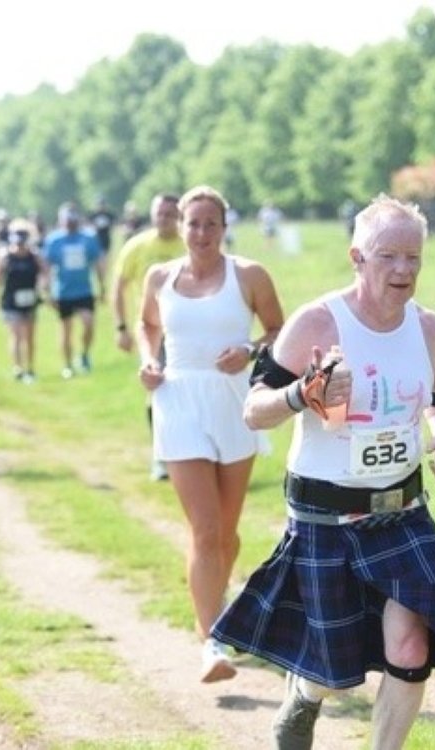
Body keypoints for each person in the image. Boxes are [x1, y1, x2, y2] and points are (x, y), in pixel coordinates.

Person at [211, 195, 435, 749]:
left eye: (414, 258)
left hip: (402, 512)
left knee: (410, 647)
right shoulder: (318, 322)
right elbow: (255, 407)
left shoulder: (429, 329)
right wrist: (305, 392)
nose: (403, 270)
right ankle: (303, 699)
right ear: (357, 256)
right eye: (389, 256)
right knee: (332, 669)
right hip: (326, 513)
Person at [136, 185, 285, 683]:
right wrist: (148, 361)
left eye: (211, 224)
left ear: (224, 228)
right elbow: (145, 324)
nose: (201, 233)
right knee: (203, 529)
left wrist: (248, 350)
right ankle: (213, 643)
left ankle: (217, 606)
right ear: (179, 226)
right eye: (193, 223)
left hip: (233, 403)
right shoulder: (160, 277)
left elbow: (279, 330)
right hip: (178, 402)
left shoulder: (248, 275)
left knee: (224, 533)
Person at [110, 193, 184, 480]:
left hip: (187, 332)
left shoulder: (189, 244)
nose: (164, 219)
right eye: (159, 214)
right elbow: (118, 287)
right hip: (154, 329)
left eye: (170, 214)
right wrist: (120, 328)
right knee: (159, 390)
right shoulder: (137, 247)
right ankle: (161, 457)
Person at [41, 202, 105, 379]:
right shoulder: (54, 240)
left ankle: (84, 355)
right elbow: (46, 266)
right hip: (63, 292)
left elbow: (97, 262)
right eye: (66, 221)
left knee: (88, 324)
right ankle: (67, 365)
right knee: (66, 329)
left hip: (84, 290)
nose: (69, 224)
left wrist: (102, 285)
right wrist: (46, 291)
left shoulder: (88, 238)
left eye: (72, 220)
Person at [0, 219, 41, 383]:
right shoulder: (5, 256)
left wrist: (45, 288)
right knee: (16, 335)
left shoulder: (34, 256)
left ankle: (30, 368)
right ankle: (18, 368)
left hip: (30, 301)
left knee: (30, 337)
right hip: (11, 302)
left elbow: (45, 274)